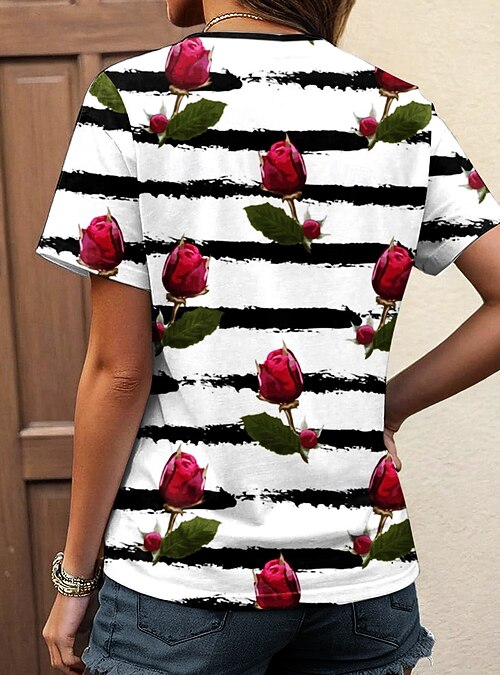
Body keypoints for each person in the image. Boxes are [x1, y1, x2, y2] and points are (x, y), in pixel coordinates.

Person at [35, 0, 500, 673]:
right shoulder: (400, 108)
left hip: (184, 589)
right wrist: (388, 405)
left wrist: (75, 578)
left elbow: (120, 373)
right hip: (362, 576)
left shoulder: (130, 99)